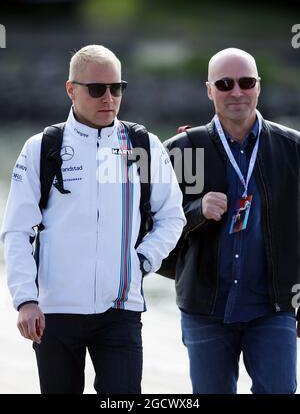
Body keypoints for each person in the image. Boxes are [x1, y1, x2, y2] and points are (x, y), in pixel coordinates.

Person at [0, 44, 186, 394]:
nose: (109, 99)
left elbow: (172, 216)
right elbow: (16, 232)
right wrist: (25, 300)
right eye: (97, 89)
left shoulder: (143, 145)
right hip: (54, 313)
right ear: (71, 90)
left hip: (121, 310)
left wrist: (141, 261)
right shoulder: (41, 147)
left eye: (117, 88)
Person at [164, 48, 300, 394]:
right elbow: (150, 231)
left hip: (273, 308)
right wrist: (195, 213)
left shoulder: (292, 148)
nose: (236, 92)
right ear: (209, 89)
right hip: (205, 309)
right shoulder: (181, 151)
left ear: (259, 86)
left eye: (246, 82)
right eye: (225, 84)